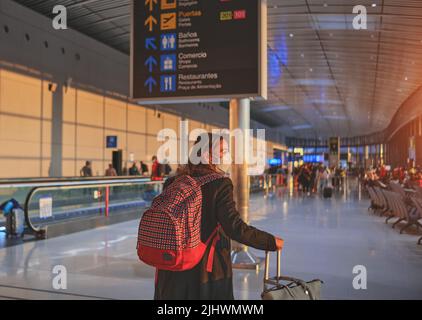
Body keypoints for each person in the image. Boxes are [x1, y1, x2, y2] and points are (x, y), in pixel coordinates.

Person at [154, 133, 283, 300]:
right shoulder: (219, 184)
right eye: (221, 151)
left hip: (171, 265)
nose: (224, 155)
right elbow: (234, 227)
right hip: (205, 270)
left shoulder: (172, 182)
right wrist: (269, 241)